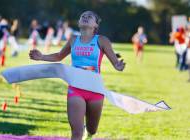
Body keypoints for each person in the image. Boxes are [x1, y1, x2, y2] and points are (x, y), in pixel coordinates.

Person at [29, 11, 126, 140]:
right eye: (83, 16)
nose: (85, 17)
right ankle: (81, 133)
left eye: (89, 17)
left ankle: (89, 134)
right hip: (76, 89)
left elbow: (115, 62)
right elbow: (59, 56)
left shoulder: (102, 40)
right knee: (76, 133)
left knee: (92, 129)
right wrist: (41, 57)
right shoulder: (73, 39)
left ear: (95, 25)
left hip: (95, 90)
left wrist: (118, 66)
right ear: (79, 23)